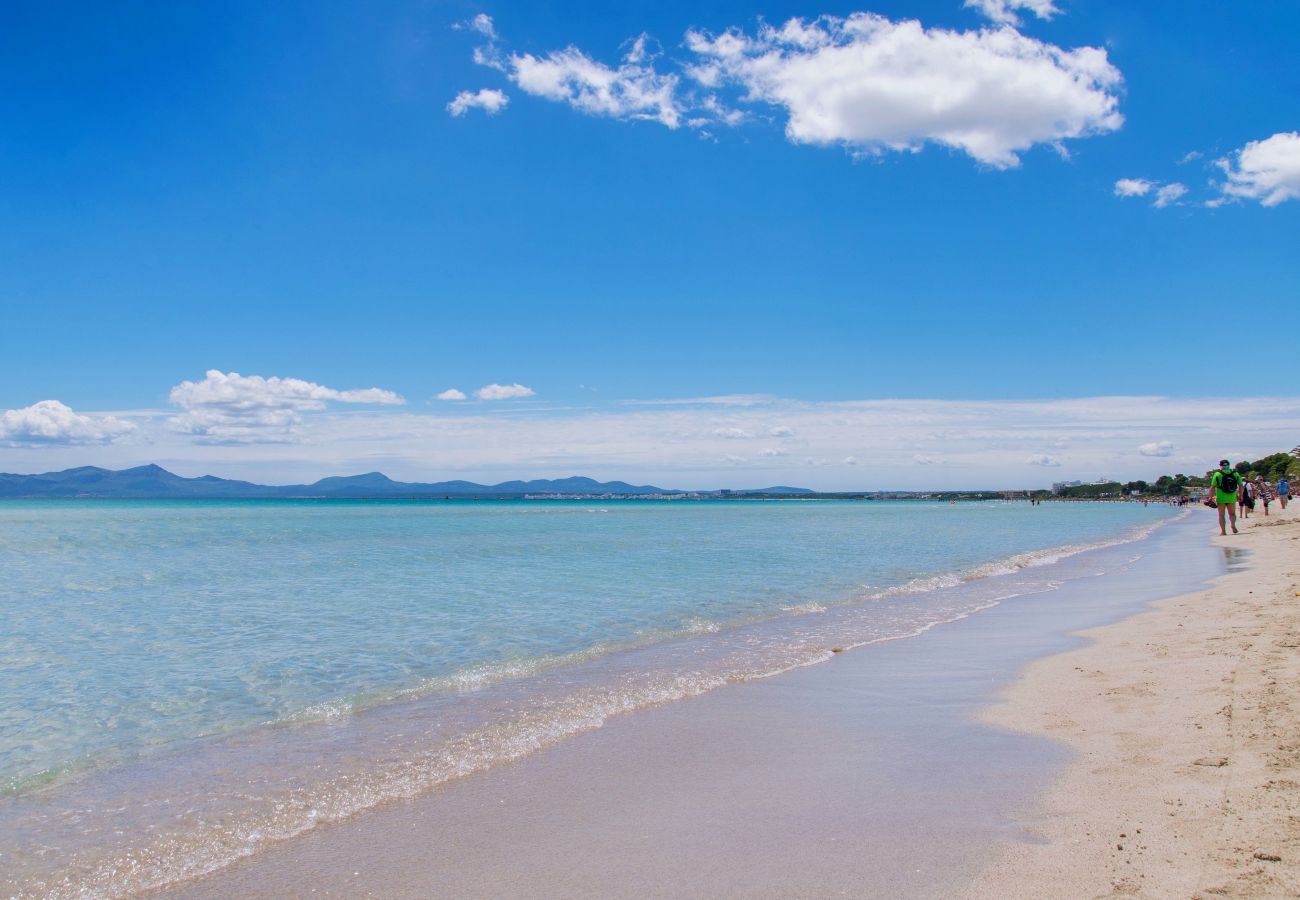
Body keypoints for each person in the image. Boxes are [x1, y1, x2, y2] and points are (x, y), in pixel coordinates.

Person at [1209, 460, 1241, 535]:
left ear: (1220, 465)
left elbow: (1212, 487)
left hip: (1221, 498)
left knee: (1221, 515)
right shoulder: (1235, 473)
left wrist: (1210, 498)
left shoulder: (1217, 474)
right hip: (1232, 497)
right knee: (1232, 514)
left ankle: (1223, 531)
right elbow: (1241, 485)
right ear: (1229, 465)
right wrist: (1240, 495)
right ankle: (1233, 525)